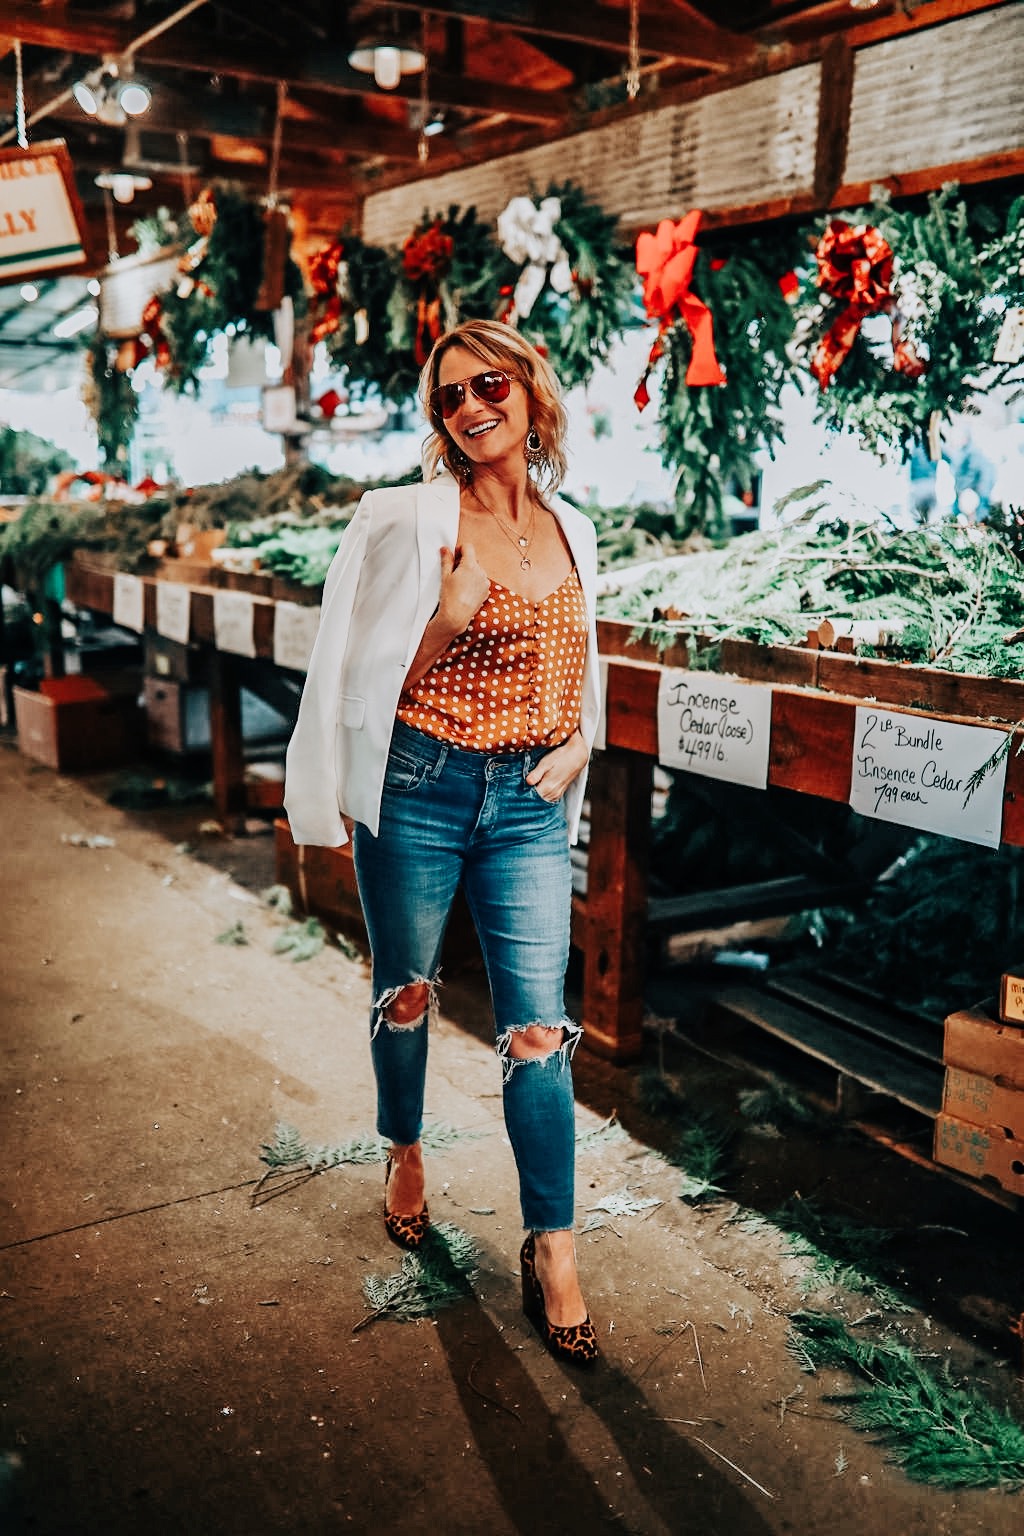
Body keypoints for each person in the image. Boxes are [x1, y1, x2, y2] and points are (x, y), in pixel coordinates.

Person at [284, 319, 602, 1367]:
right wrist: (450, 614)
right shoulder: (407, 521)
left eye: (489, 384)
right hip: (420, 786)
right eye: (450, 398)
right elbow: (364, 685)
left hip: (524, 806)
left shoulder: (573, 528)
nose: (471, 407)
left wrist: (582, 740)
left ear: (528, 388)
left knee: (538, 1032)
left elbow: (583, 664)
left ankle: (553, 1247)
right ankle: (405, 1147)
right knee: (408, 987)